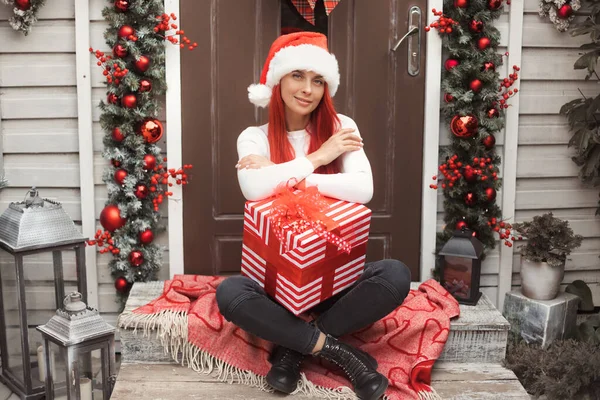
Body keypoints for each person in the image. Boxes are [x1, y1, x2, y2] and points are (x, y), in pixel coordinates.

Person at [216, 32, 411, 400]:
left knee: (396, 275)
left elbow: (364, 187)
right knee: (230, 293)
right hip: (276, 290)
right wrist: (320, 158)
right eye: (297, 76)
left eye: (318, 80)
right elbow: (253, 189)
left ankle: (292, 350)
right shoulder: (253, 137)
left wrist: (284, 175)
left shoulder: (342, 126)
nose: (308, 89)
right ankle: (340, 353)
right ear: (277, 81)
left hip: (333, 285)